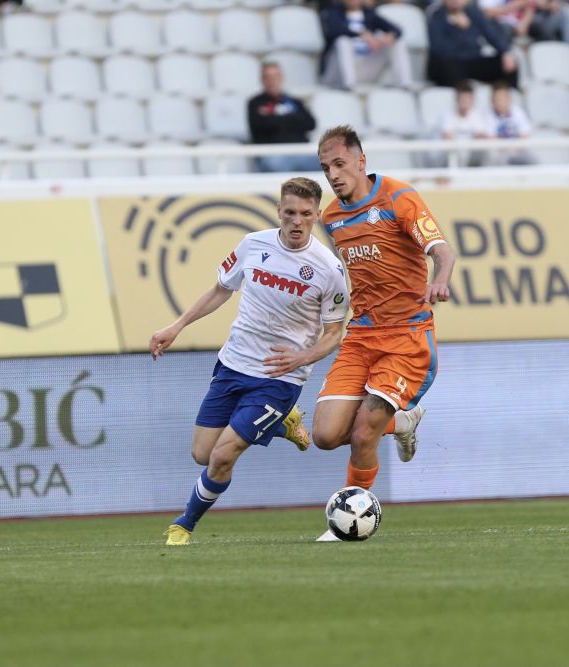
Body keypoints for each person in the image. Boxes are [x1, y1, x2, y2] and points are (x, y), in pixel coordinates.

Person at [152, 177, 349, 546]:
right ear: (278, 211)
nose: (296, 221)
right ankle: (281, 426)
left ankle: (184, 525)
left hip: (279, 378)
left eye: (306, 214)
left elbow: (334, 333)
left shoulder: (329, 270)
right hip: (233, 365)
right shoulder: (252, 244)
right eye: (289, 212)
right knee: (202, 454)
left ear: (317, 215)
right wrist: (176, 326)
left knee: (223, 457)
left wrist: (302, 357)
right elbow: (220, 290)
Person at [313, 125, 456, 541]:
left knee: (362, 432)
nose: (334, 175)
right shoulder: (331, 217)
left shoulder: (399, 197)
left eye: (340, 164)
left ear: (361, 161)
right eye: (326, 168)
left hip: (407, 337)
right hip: (361, 337)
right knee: (325, 436)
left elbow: (442, 250)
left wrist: (440, 279)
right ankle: (403, 422)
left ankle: (348, 521)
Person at [320, 0, 415, 91]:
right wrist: (362, 34)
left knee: (396, 43)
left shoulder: (368, 13)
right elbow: (334, 31)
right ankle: (348, 86)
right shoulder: (332, 12)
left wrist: (385, 39)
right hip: (338, 73)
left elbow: (397, 29)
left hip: (363, 68)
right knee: (343, 41)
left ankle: (405, 85)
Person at [247, 62, 322, 173]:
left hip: (301, 152)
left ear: (281, 78)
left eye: (276, 76)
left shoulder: (294, 101)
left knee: (329, 163)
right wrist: (292, 119)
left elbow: (310, 123)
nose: (273, 81)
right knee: (276, 164)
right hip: (273, 154)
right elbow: (259, 126)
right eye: (268, 77)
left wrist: (276, 119)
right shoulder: (255, 103)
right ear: (262, 80)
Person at [427, 0, 519, 88]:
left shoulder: (472, 13)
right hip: (451, 62)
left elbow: (491, 34)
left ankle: (507, 99)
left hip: (472, 60)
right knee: (447, 67)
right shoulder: (437, 16)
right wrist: (461, 30)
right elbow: (438, 48)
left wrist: (505, 52)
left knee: (508, 64)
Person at [436, 79, 492, 167]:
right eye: (463, 99)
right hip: (452, 156)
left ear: (473, 100)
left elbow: (481, 135)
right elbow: (447, 136)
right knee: (455, 152)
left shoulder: (478, 115)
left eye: (468, 99)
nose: (465, 102)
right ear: (457, 99)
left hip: (470, 155)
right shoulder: (448, 116)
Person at [490, 80, 535, 165]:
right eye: (497, 99)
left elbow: (524, 135)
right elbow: (491, 139)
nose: (500, 102)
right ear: (493, 100)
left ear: (509, 98)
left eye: (502, 98)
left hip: (518, 152)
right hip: (499, 155)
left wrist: (511, 149)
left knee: (532, 160)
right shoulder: (488, 115)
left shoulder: (518, 112)